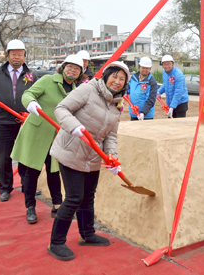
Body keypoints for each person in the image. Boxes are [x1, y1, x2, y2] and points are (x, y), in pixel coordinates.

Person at [47, 61, 128, 261]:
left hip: (92, 155)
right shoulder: (88, 89)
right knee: (74, 198)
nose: (117, 82)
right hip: (71, 150)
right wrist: (74, 126)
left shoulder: (117, 103)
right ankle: (56, 242)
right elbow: (62, 108)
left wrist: (112, 157)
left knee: (88, 196)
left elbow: (111, 136)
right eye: (114, 76)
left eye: (122, 79)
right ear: (106, 75)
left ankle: (87, 234)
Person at [10, 55, 84, 224]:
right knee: (32, 172)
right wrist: (31, 104)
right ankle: (30, 207)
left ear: (80, 73)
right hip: (37, 132)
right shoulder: (48, 80)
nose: (72, 70)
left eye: (77, 68)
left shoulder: (76, 91)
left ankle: (57, 206)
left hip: (57, 136)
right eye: (70, 67)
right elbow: (28, 93)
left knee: (54, 171)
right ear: (63, 67)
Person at [0, 39, 35, 202]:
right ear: (7, 55)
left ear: (24, 55)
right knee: (4, 157)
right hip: (4, 121)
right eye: (14, 54)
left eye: (20, 54)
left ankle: (27, 186)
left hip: (25, 122)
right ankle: (5, 188)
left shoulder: (31, 74)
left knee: (25, 156)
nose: (17, 57)